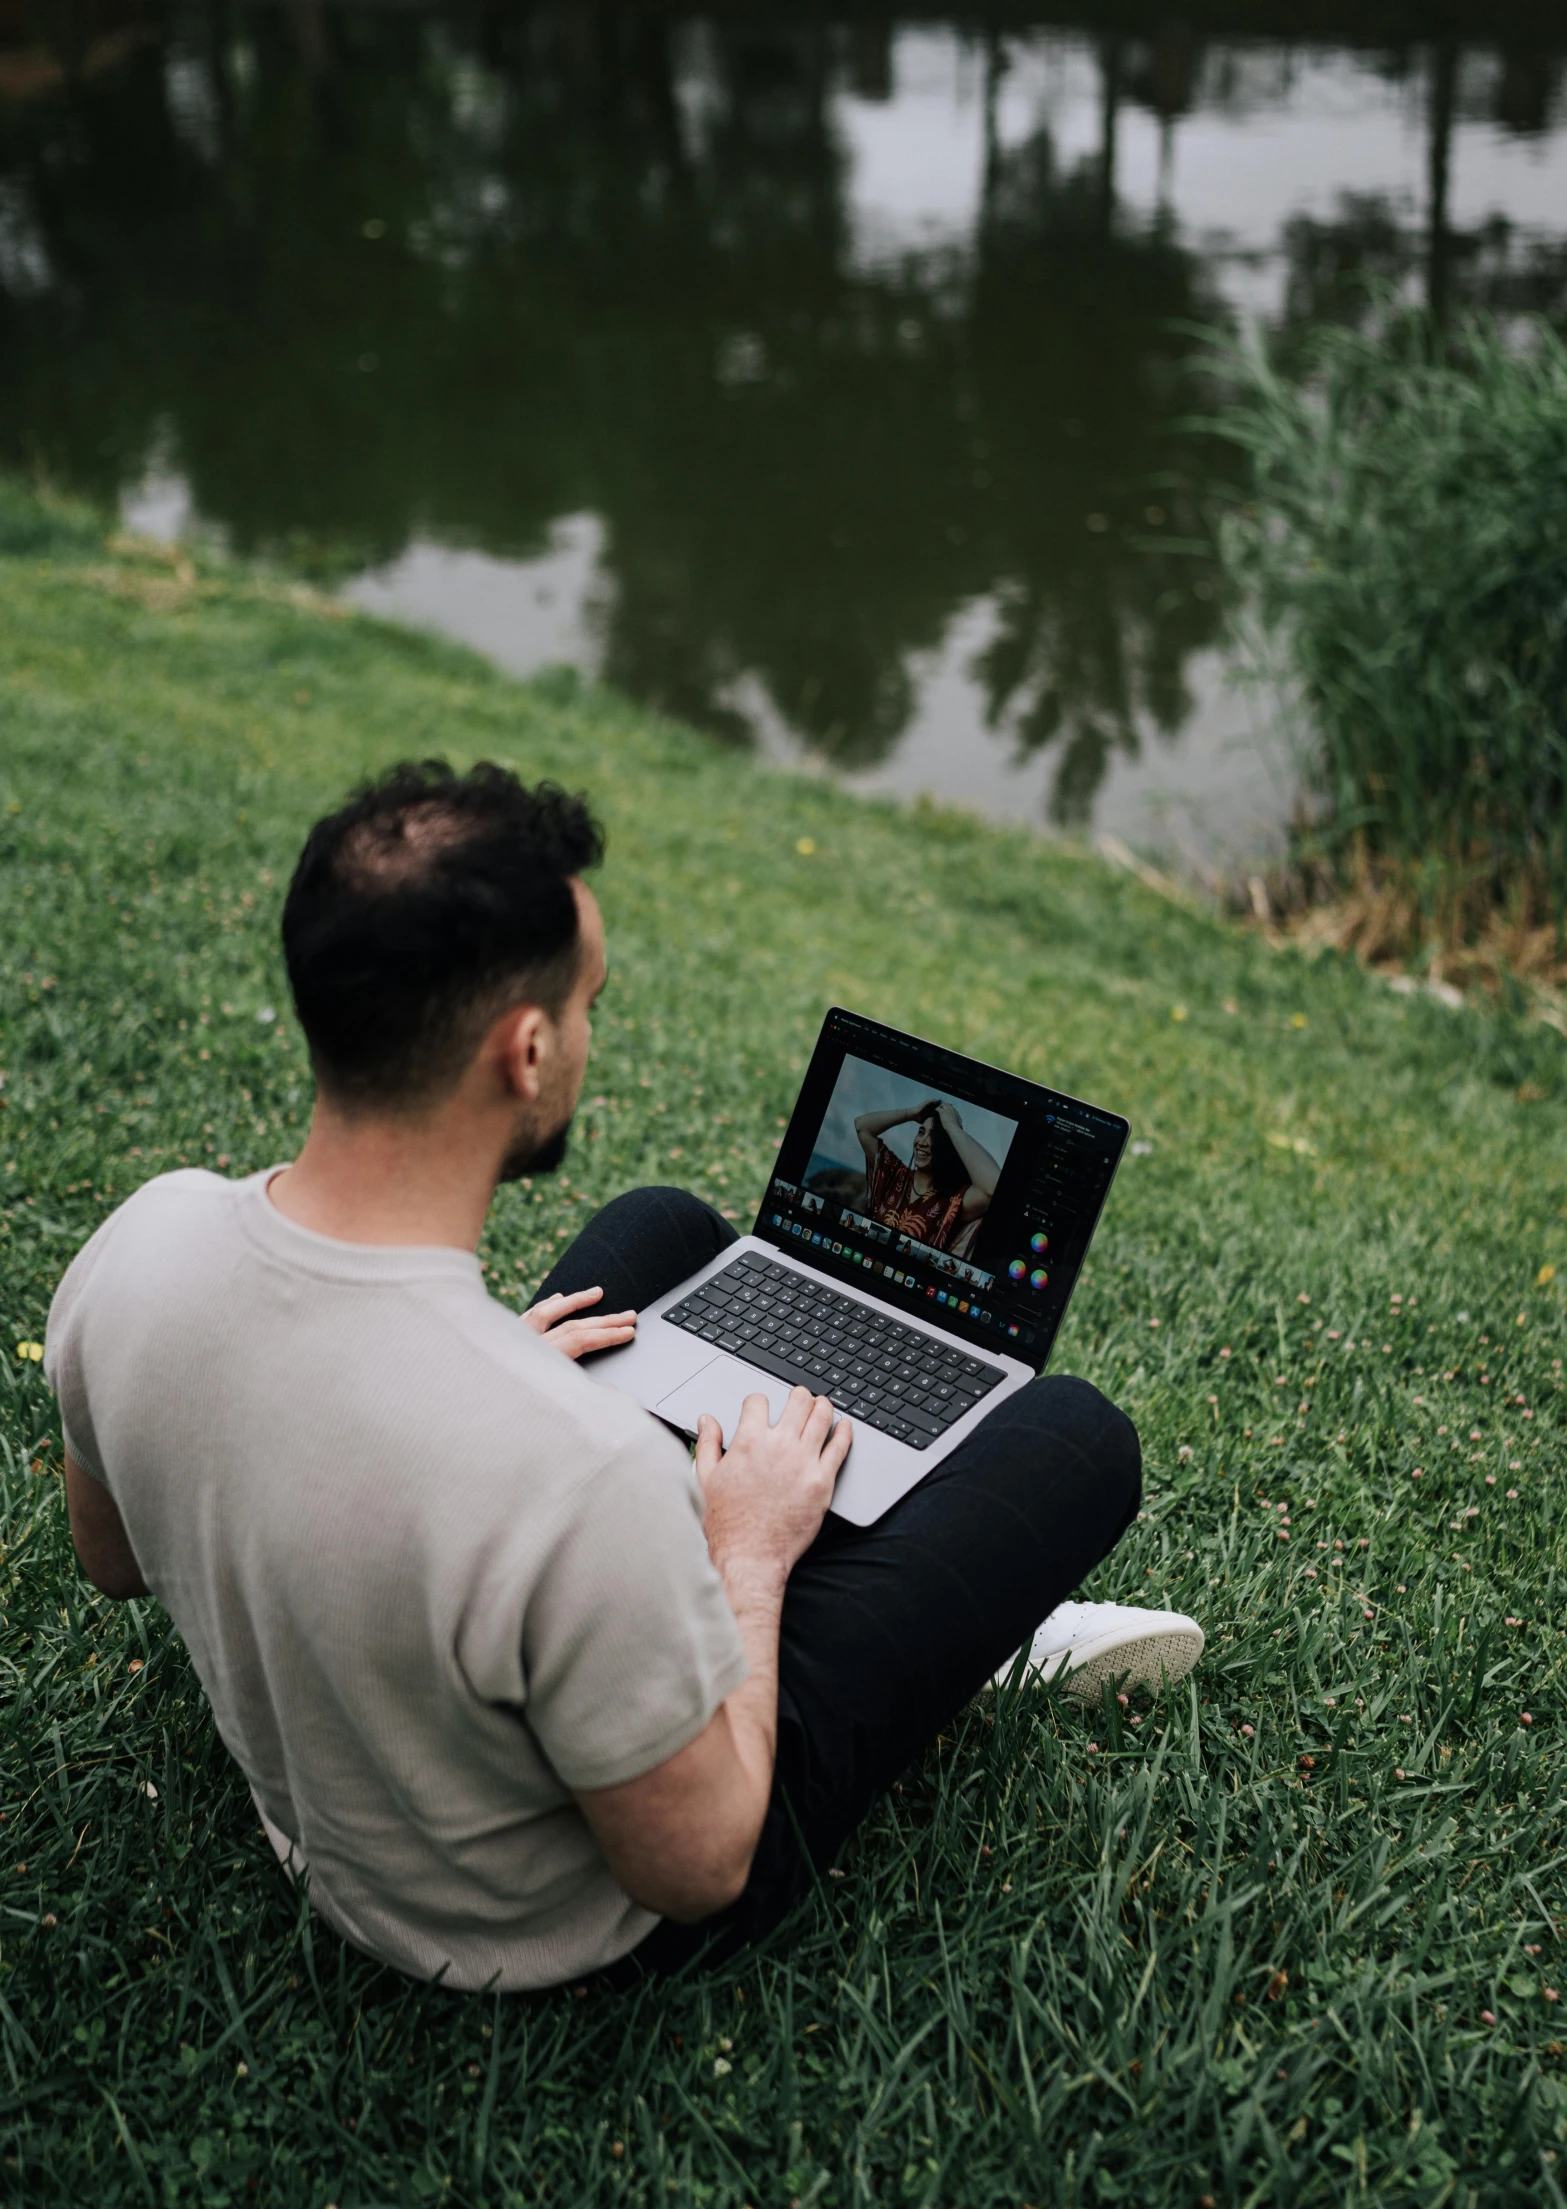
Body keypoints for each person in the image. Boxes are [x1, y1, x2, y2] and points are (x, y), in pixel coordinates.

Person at [46, 759, 1199, 1993]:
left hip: (400, 1695)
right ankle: (966, 1634)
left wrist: (477, 1370)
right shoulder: (579, 1476)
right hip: (550, 1913)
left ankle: (819, 1573)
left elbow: (114, 1560)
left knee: (662, 1228)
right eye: (592, 1000)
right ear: (526, 1049)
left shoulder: (143, 1238)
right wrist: (745, 1553)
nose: (595, 1029)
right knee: (1075, 1434)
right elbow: (699, 1863)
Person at [855, 1098, 999, 1259]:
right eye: (921, 1132)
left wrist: (952, 1127)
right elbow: (862, 1127)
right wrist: (912, 1113)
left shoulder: (952, 1202)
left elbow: (992, 1187)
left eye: (934, 1137)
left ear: (947, 1147)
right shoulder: (895, 1175)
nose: (922, 1142)